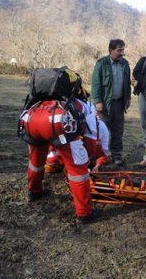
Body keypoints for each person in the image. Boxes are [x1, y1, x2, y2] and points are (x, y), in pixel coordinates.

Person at [18, 67, 97, 225]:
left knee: (36, 162)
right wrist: (88, 156)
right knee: (78, 171)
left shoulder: (38, 100)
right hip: (58, 124)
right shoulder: (80, 105)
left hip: (32, 121)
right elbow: (91, 134)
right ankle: (84, 213)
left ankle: (34, 191)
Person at [91, 39, 131, 167]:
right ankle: (99, 156)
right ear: (111, 50)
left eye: (123, 50)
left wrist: (128, 97)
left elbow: (127, 83)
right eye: (119, 50)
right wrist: (97, 101)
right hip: (105, 104)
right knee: (102, 131)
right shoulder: (101, 64)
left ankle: (117, 154)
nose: (122, 53)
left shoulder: (125, 64)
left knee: (118, 131)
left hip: (119, 104)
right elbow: (96, 84)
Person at [45, 99, 110, 173]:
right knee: (51, 163)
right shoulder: (69, 124)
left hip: (88, 156)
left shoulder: (102, 128)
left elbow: (104, 154)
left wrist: (97, 166)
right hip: (69, 151)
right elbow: (56, 144)